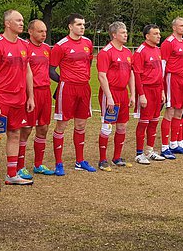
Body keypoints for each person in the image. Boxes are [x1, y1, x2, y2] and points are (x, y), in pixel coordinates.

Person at [0, 10, 35, 189]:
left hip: (19, 99)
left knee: (14, 134)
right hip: (1, 100)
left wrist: (30, 96)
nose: (22, 23)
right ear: (7, 23)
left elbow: (27, 70)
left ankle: (12, 174)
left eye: (22, 20)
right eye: (18, 20)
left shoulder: (24, 44)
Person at [49, 13, 96, 172]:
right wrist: (65, 81)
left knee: (81, 124)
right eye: (78, 24)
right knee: (62, 124)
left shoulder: (88, 43)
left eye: (83, 25)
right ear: (70, 26)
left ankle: (79, 161)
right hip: (67, 88)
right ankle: (59, 163)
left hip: (84, 87)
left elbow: (89, 61)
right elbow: (51, 70)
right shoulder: (60, 46)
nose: (82, 27)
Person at [96, 22, 136, 171]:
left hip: (123, 93)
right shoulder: (106, 52)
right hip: (111, 93)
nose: (126, 35)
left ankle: (117, 157)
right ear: (114, 34)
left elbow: (131, 73)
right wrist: (109, 97)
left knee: (122, 125)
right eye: (123, 32)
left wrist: (132, 94)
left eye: (126, 32)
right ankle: (102, 160)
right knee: (107, 126)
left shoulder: (127, 52)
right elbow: (101, 76)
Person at [19, 20, 56, 178]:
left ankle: (38, 164)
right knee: (26, 129)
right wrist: (29, 95)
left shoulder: (48, 49)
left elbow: (50, 70)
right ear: (30, 31)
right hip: (30, 93)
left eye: (45, 31)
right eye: (40, 31)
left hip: (45, 92)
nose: (44, 34)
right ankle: (19, 166)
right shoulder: (24, 48)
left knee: (43, 128)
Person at [132, 24, 166, 165]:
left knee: (154, 121)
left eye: (159, 33)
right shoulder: (140, 51)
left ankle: (149, 151)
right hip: (146, 90)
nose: (159, 36)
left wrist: (163, 90)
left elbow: (160, 73)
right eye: (155, 33)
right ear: (147, 36)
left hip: (158, 90)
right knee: (144, 122)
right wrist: (141, 94)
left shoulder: (158, 50)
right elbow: (137, 75)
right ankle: (139, 153)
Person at [160, 17, 183, 157]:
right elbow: (163, 64)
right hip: (172, 78)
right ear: (174, 27)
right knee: (170, 110)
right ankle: (165, 146)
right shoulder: (168, 42)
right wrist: (162, 85)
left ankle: (174, 143)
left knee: (180, 110)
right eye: (181, 26)